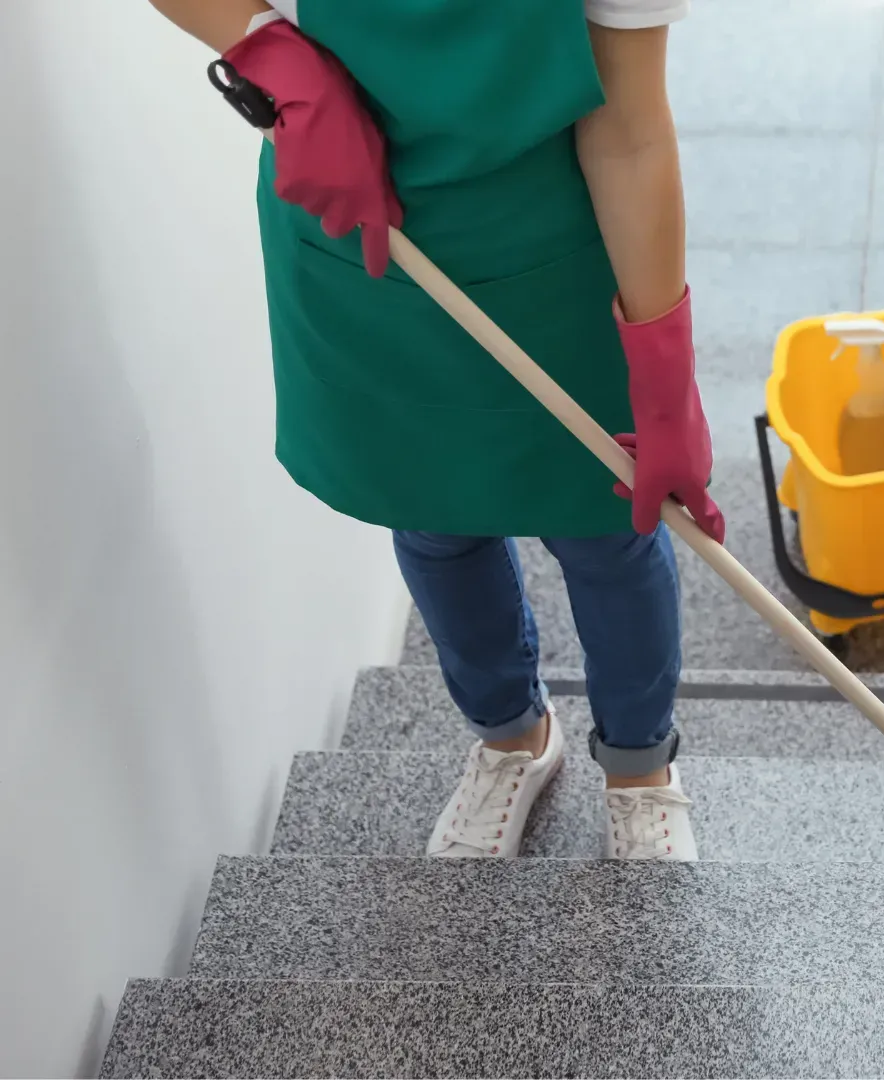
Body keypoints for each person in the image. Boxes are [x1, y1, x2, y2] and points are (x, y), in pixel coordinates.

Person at [150, 0, 723, 860]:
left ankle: (640, 768)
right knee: (433, 515)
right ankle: (511, 738)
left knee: (606, 524)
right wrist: (265, 48)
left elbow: (631, 129)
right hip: (366, 251)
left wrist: (664, 376)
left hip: (549, 246)